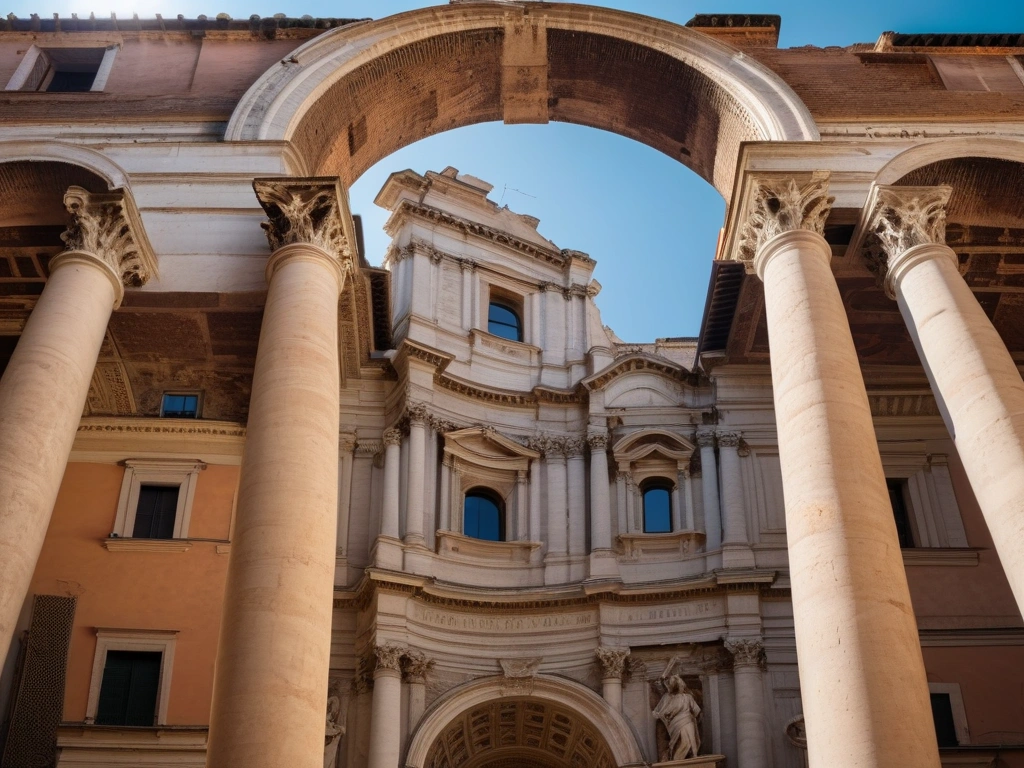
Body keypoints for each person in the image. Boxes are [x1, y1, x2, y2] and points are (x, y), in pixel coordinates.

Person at [653, 675, 701, 761]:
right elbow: (657, 712)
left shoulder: (687, 697)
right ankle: (676, 760)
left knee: (690, 743)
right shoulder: (667, 697)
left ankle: (693, 757)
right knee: (685, 742)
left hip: (687, 720)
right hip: (677, 723)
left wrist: (693, 717)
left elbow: (696, 710)